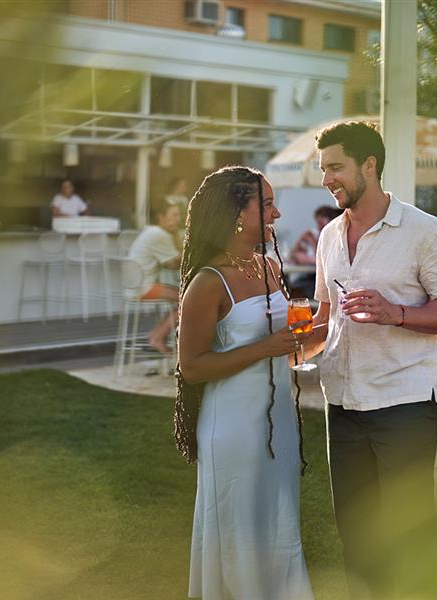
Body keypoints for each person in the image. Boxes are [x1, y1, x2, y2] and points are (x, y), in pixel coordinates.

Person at [302, 121, 437, 599]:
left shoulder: (424, 231)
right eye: (322, 169)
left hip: (404, 403)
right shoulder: (329, 235)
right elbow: (325, 317)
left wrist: (394, 312)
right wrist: (286, 345)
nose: (326, 178)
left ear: (369, 166)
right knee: (355, 536)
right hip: (344, 404)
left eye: (335, 167)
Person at [175, 166, 316, 600]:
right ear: (239, 212)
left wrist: (332, 327)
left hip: (277, 426)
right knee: (239, 533)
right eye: (268, 203)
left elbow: (288, 348)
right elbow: (192, 367)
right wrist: (265, 347)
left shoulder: (269, 266)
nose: (277, 213)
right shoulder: (207, 282)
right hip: (233, 426)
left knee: (279, 526)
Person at [128, 202, 182, 353]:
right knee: (189, 301)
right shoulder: (159, 235)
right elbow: (175, 265)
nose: (178, 219)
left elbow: (174, 261)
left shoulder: (151, 231)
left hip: (136, 286)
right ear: (161, 217)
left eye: (179, 215)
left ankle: (156, 335)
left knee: (183, 299)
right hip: (144, 287)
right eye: (174, 215)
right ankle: (157, 338)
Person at [289, 205, 342, 298]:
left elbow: (322, 259)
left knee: (297, 292)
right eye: (317, 222)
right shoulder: (315, 234)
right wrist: (301, 240)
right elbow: (293, 255)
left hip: (322, 279)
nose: (318, 226)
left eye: (320, 222)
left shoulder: (335, 235)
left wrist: (312, 242)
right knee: (291, 288)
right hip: (311, 276)